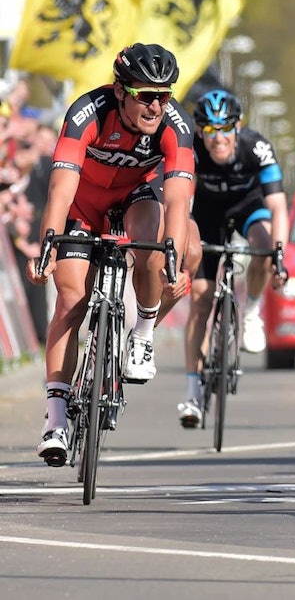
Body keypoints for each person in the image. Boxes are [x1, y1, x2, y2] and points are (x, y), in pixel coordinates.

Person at [27, 43, 195, 466]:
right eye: (146, 96)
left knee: (154, 240)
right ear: (121, 91)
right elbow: (61, 184)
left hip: (136, 197)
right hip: (83, 204)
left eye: (164, 95)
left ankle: (142, 334)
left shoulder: (177, 126)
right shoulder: (87, 111)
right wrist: (49, 240)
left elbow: (177, 199)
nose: (156, 106)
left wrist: (171, 254)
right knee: (69, 299)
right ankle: (56, 419)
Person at [171, 90, 289, 428]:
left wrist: (279, 254)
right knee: (200, 298)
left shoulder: (256, 147)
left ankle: (251, 312)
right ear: (199, 131)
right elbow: (181, 203)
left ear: (238, 128)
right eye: (209, 131)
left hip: (248, 206)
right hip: (208, 214)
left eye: (225, 129)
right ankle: (193, 391)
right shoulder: (190, 150)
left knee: (264, 245)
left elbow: (278, 205)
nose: (218, 139)